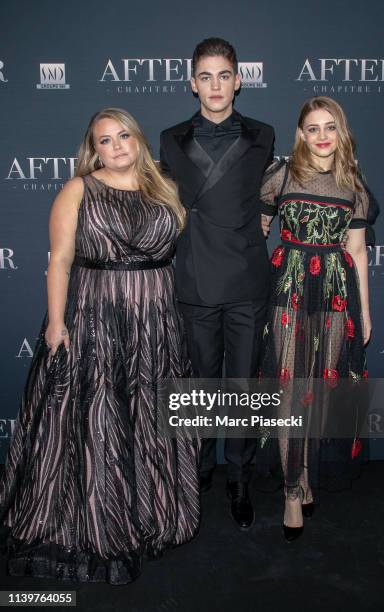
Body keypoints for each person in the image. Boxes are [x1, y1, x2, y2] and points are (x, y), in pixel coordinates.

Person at [0, 108, 200, 584]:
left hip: (154, 322)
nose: (116, 146)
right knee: (100, 418)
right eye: (104, 141)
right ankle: (100, 521)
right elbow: (61, 262)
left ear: (138, 139)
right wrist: (55, 323)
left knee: (149, 418)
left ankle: (151, 516)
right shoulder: (79, 189)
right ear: (94, 149)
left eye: (123, 135)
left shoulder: (165, 190)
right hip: (96, 317)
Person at [160, 38, 275, 530]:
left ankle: (240, 478)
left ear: (238, 79)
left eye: (223, 75)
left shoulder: (264, 135)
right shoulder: (167, 139)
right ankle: (201, 467)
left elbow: (274, 190)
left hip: (248, 280)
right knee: (203, 385)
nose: (215, 85)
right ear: (192, 83)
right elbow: (158, 198)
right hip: (196, 279)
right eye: (204, 76)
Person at [258, 96, 379, 541]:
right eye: (313, 128)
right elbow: (257, 234)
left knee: (319, 391)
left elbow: (358, 253)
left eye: (330, 127)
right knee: (290, 389)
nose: (322, 136)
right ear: (301, 133)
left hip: (334, 291)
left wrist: (364, 311)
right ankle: (292, 492)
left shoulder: (353, 184)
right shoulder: (281, 175)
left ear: (341, 132)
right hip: (287, 289)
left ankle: (305, 472)